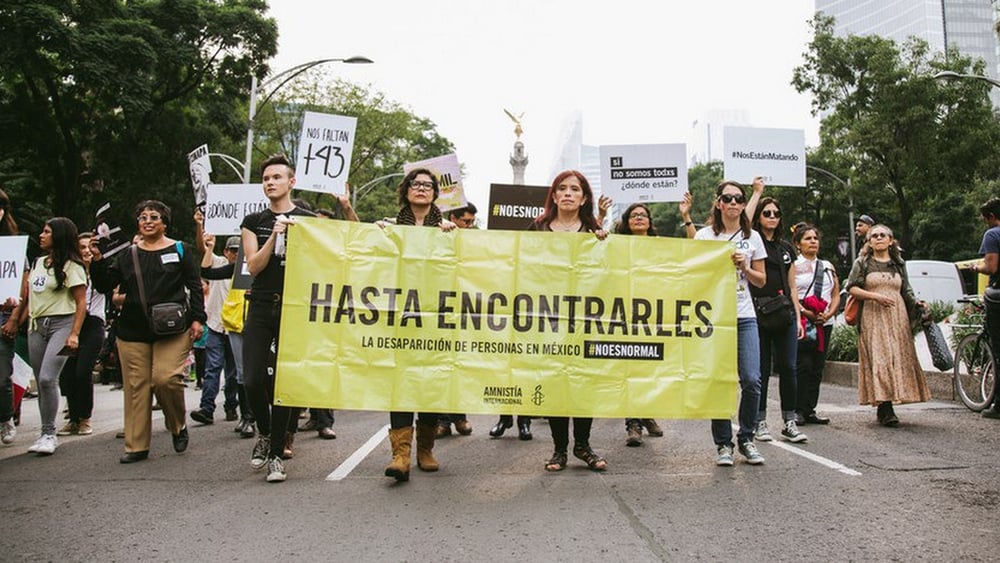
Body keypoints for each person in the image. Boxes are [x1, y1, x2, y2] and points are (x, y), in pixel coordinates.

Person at [91, 200, 206, 463]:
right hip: (132, 330)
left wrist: (198, 319)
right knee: (136, 387)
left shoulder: (180, 250)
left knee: (166, 379)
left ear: (165, 223)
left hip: (172, 328)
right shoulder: (127, 255)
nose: (148, 221)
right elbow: (105, 285)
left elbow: (195, 286)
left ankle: (177, 425)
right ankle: (136, 445)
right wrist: (97, 261)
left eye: (154, 217)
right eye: (143, 217)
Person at [240, 154, 316, 482]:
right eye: (266, 178)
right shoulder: (253, 220)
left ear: (291, 182)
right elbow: (253, 266)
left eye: (277, 177)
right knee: (253, 378)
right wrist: (275, 233)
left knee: (285, 382)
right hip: (259, 303)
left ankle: (276, 456)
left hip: (294, 306)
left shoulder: (309, 218)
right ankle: (266, 431)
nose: (270, 182)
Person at [531, 170, 608, 472]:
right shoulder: (537, 228)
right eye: (561, 188)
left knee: (583, 382)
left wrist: (603, 242)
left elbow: (608, 272)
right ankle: (559, 449)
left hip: (584, 318)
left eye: (574, 189)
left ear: (584, 197)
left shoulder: (593, 231)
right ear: (553, 195)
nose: (567, 193)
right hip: (547, 317)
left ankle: (583, 445)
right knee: (555, 381)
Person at [382, 168, 457, 482]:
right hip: (402, 314)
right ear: (406, 189)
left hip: (436, 316)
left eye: (428, 185)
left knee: (429, 381)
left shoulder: (448, 229)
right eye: (416, 184)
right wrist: (375, 234)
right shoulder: (390, 226)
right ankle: (400, 456)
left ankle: (425, 450)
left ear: (435, 193)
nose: (422, 189)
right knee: (401, 382)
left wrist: (455, 239)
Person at [694, 180, 767, 466]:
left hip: (744, 314)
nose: (734, 203)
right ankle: (723, 444)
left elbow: (762, 280)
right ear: (719, 203)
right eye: (728, 198)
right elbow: (692, 273)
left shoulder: (754, 238)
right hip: (713, 315)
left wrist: (745, 267)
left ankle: (746, 437)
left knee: (751, 379)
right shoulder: (703, 236)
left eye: (739, 198)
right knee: (718, 381)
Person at [845, 224, 929, 426]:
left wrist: (916, 303)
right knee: (880, 358)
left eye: (883, 235)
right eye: (874, 236)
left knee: (896, 357)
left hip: (897, 317)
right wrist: (875, 297)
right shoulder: (863, 262)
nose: (879, 238)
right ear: (869, 241)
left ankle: (893, 398)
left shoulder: (898, 263)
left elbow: (906, 290)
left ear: (891, 240)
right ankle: (885, 406)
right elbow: (852, 288)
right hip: (873, 317)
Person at [19, 218, 88, 455]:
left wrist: (75, 334)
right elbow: (31, 299)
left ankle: (50, 434)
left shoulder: (73, 266)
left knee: (49, 378)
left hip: (63, 324)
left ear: (58, 236)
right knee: (40, 381)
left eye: (47, 232)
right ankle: (43, 432)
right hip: (37, 326)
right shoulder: (38, 262)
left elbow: (81, 303)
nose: (41, 235)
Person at [745, 191, 807, 443]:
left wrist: (799, 316)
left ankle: (789, 421)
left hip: (784, 314)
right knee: (760, 370)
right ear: (758, 217)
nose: (772, 217)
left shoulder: (786, 248)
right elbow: (743, 224)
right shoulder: (751, 244)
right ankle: (760, 422)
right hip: (757, 313)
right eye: (767, 213)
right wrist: (756, 191)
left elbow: (793, 287)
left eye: (776, 214)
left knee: (790, 368)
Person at [613, 202, 665, 447]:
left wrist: (686, 217)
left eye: (643, 215)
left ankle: (647, 413)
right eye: (634, 215)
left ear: (649, 221)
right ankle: (633, 424)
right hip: (624, 314)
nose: (639, 218)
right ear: (626, 221)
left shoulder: (661, 246)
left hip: (653, 315)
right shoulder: (617, 245)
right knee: (631, 369)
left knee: (649, 369)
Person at [189, 221, 240, 427]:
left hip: (236, 327)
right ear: (226, 251)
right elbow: (205, 263)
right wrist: (205, 237)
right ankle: (207, 408)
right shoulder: (219, 263)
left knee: (234, 372)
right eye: (233, 250)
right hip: (216, 325)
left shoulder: (245, 269)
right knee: (212, 368)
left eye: (239, 250)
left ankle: (231, 406)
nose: (236, 254)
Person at [56, 231, 106, 437]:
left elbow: (105, 285)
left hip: (93, 323)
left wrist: (97, 260)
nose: (86, 251)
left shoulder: (99, 270)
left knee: (83, 370)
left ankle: (85, 418)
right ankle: (73, 418)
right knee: (67, 372)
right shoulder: (68, 271)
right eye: (82, 248)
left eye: (89, 247)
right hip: (71, 323)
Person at [790, 224, 839, 426]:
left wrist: (829, 313)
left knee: (818, 367)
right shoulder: (794, 264)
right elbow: (790, 290)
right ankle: (797, 409)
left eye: (815, 238)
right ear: (798, 244)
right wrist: (805, 311)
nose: (813, 242)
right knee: (803, 365)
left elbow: (835, 293)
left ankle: (810, 408)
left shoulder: (827, 266)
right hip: (803, 321)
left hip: (824, 322)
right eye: (808, 238)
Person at [438, 203, 479, 438]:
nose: (469, 226)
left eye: (472, 222)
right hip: (441, 311)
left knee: (460, 367)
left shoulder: (473, 241)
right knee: (443, 367)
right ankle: (443, 420)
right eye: (466, 221)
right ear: (453, 218)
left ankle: (460, 416)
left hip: (466, 312)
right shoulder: (438, 235)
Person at [0, 188, 23, 445]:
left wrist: (14, 317)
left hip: (3, 316)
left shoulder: (12, 249)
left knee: (1, 375)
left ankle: (5, 417)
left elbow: (21, 289)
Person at [974, 198, 1000, 419]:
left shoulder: (993, 234)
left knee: (998, 348)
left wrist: (977, 266)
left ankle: (998, 405)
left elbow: (991, 266)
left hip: (998, 295)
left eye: (985, 219)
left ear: (992, 217)